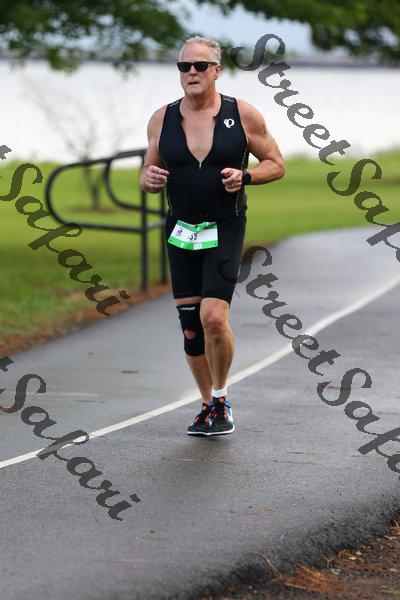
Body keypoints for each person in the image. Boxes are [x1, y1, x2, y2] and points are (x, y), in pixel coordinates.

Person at [140, 35, 285, 436]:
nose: (191, 72)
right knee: (191, 329)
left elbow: (276, 163)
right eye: (184, 66)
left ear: (216, 71)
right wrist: (148, 179)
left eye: (200, 66)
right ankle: (206, 405)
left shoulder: (243, 115)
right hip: (180, 230)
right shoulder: (161, 118)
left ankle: (221, 399)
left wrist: (247, 176)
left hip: (224, 226)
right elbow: (148, 171)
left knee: (213, 318)